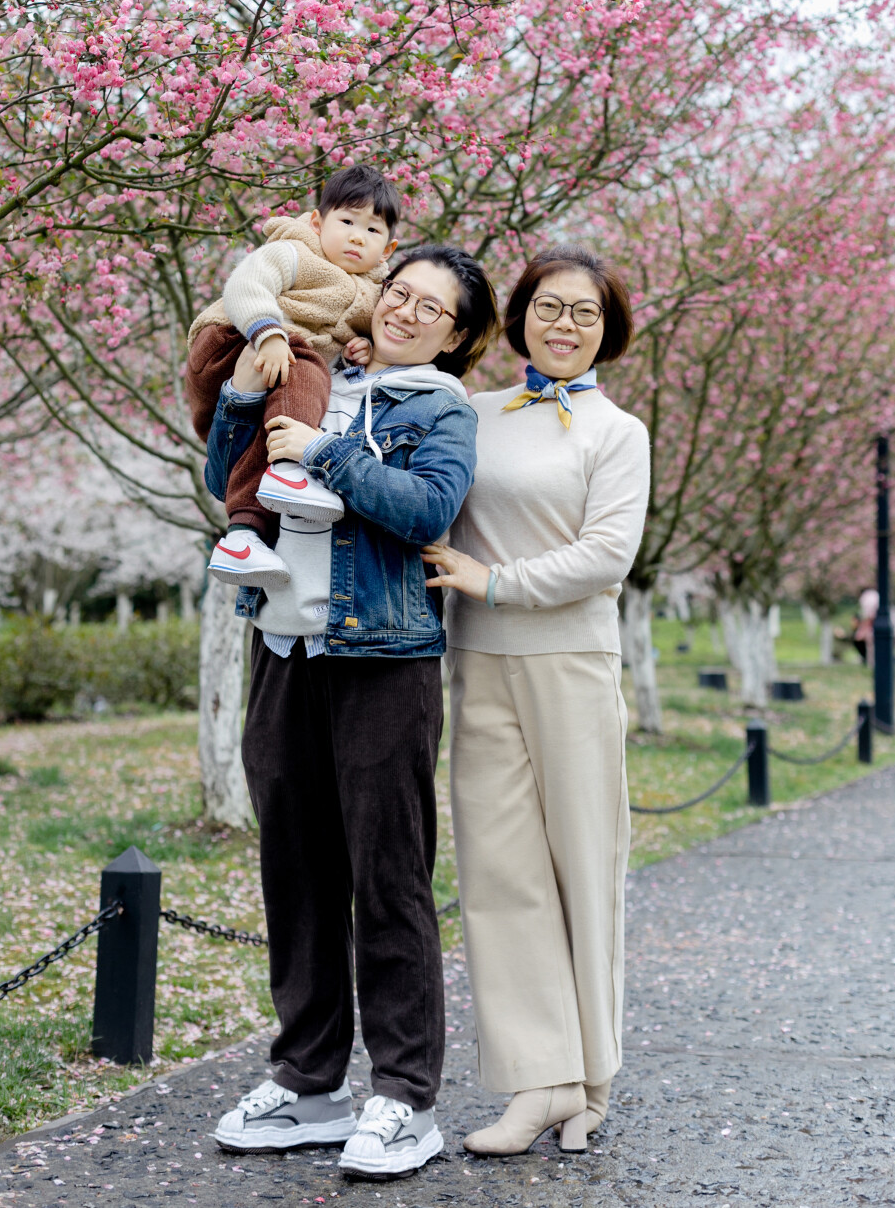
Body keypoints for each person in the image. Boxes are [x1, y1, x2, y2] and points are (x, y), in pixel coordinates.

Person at [200, 245, 498, 1181]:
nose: (406, 311)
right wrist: (246, 399)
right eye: (397, 292)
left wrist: (325, 452)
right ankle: (309, 1080)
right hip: (284, 648)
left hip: (382, 659)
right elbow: (227, 477)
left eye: (431, 308)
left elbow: (428, 508)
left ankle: (404, 1096)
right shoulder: (325, 370)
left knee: (389, 876)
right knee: (296, 872)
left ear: (457, 338)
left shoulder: (441, 407)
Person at [422, 244, 650, 1157]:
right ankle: (540, 1081)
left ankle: (592, 1080)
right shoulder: (470, 412)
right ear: (517, 318)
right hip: (479, 663)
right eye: (550, 308)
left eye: (585, 313)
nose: (565, 325)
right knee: (500, 876)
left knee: (584, 871)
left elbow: (607, 556)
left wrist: (495, 578)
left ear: (608, 331)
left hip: (571, 665)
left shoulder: (615, 432)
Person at [185, 163, 399, 589]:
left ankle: (243, 536)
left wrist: (360, 349)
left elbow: (346, 341)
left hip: (275, 373)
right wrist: (267, 334)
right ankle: (289, 468)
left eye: (372, 231)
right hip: (230, 341)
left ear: (389, 249)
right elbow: (246, 285)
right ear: (317, 222)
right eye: (346, 221)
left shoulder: (375, 294)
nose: (357, 236)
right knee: (305, 363)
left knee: (276, 421)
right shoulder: (295, 252)